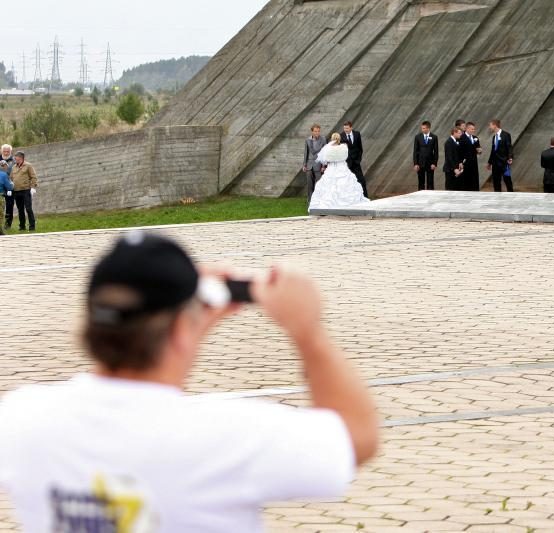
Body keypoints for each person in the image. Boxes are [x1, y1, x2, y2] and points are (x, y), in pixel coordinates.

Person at [0, 232, 379, 532]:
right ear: (182, 327)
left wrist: (188, 326)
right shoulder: (227, 437)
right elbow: (357, 436)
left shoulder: (22, 418)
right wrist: (308, 332)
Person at [309, 133, 369, 210]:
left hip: (332, 168)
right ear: (339, 139)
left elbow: (326, 160)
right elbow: (345, 157)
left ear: (332, 139)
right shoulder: (344, 147)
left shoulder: (328, 149)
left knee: (329, 186)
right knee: (346, 185)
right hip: (342, 168)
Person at [9, 151, 37, 231]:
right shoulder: (14, 167)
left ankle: (32, 226)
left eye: (16, 158)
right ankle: (22, 226)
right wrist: (9, 188)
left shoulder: (28, 166)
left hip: (26, 190)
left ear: (21, 158)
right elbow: (11, 178)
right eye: (15, 158)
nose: (15, 159)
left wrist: (33, 187)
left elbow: (33, 177)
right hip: (16, 191)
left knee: (28, 208)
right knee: (20, 209)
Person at [486, 119, 513, 192]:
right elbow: (493, 151)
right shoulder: (494, 137)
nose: (490, 127)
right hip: (495, 164)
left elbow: (509, 147)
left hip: (504, 162)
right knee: (496, 182)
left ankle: (511, 196)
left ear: (495, 125)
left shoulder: (506, 135)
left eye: (490, 125)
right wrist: (489, 162)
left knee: (507, 181)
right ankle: (497, 197)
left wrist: (510, 157)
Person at [303, 125, 328, 205]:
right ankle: (310, 200)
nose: (317, 133)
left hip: (319, 165)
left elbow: (325, 153)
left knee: (319, 184)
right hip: (309, 165)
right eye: (315, 131)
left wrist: (324, 166)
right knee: (310, 184)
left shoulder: (323, 139)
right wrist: (304, 164)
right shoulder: (307, 140)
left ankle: (319, 201)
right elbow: (305, 153)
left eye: (318, 131)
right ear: (312, 131)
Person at [341, 121, 367, 197]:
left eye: (347, 128)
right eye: (344, 128)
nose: (345, 130)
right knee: (348, 182)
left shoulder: (357, 134)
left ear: (351, 127)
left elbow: (360, 148)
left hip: (356, 162)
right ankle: (351, 197)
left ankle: (365, 197)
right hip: (347, 164)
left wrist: (358, 159)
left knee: (361, 180)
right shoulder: (341, 135)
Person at [413, 121, 438, 191]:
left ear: (428, 128)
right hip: (420, 163)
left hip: (430, 163)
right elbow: (415, 151)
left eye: (424, 128)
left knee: (430, 182)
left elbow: (436, 151)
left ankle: (431, 196)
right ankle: (420, 197)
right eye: (422, 128)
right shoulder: (418, 137)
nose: (423, 130)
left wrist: (434, 163)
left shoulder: (434, 137)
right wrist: (415, 164)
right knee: (421, 182)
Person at [462, 122, 482, 191]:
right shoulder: (462, 137)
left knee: (474, 178)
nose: (473, 131)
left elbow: (478, 147)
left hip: (474, 162)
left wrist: (479, 151)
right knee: (466, 179)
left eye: (474, 129)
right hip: (466, 162)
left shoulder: (475, 138)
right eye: (472, 129)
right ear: (467, 128)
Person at [1, 144, 14, 229]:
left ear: (10, 151)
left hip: (9, 185)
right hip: (0, 184)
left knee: (9, 205)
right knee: (0, 205)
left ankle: (8, 224)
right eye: (4, 151)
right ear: (1, 151)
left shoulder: (13, 160)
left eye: (8, 151)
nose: (6, 153)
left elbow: (15, 171)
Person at [0, 160, 14, 234]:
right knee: (1, 213)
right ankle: (1, 231)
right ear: (4, 166)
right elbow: (8, 186)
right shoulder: (3, 174)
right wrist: (11, 186)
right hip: (1, 195)